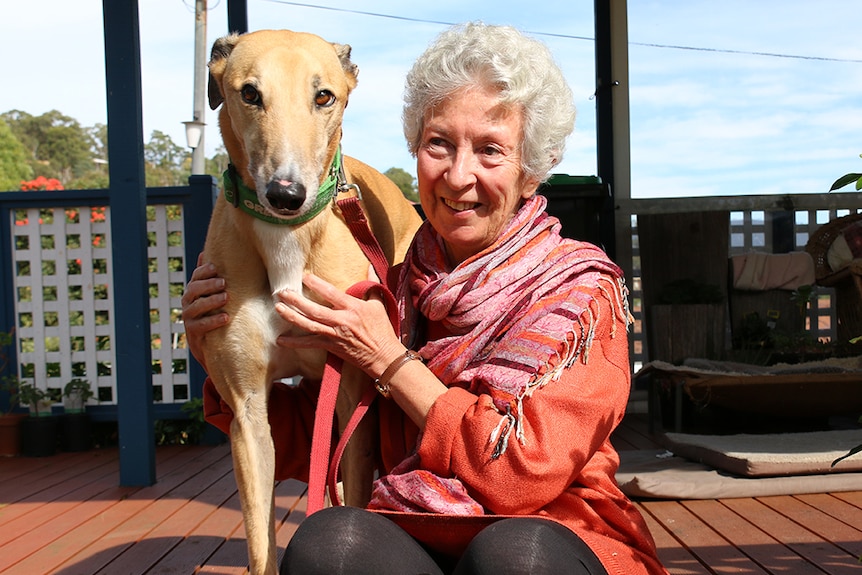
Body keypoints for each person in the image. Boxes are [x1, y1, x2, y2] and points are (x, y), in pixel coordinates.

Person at [183, 22, 668, 575]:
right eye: (439, 144)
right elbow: (323, 434)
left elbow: (516, 476)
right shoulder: (395, 279)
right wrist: (215, 349)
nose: (459, 176)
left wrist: (390, 361)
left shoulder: (580, 295)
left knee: (513, 558)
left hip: (557, 535)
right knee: (329, 543)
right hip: (417, 528)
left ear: (531, 172)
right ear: (415, 151)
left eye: (490, 151)